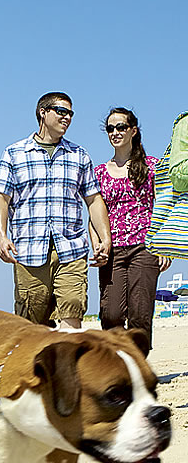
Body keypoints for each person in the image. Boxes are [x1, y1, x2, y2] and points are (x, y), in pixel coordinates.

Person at [0, 92, 111, 329]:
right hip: (28, 251)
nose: (67, 117)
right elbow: (0, 198)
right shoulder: (14, 153)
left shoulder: (79, 155)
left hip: (71, 249)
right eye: (61, 111)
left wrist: (105, 238)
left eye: (71, 113)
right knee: (32, 326)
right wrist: (1, 237)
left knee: (72, 308)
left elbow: (94, 200)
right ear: (43, 112)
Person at [92, 108, 171, 352]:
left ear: (133, 130)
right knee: (111, 314)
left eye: (121, 127)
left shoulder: (152, 166)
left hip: (145, 248)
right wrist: (97, 245)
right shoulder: (99, 173)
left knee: (140, 314)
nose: (115, 132)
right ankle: (117, 362)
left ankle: (137, 363)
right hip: (112, 250)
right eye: (110, 128)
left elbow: (164, 205)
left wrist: (165, 246)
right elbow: (94, 215)